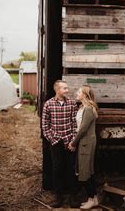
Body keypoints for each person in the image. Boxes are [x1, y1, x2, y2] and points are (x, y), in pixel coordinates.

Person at [42, 80, 79, 208]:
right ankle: (58, 197)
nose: (67, 90)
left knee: (71, 169)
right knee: (57, 169)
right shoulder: (48, 104)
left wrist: (73, 141)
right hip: (56, 142)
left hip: (69, 141)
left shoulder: (72, 104)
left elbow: (75, 124)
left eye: (67, 88)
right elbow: (45, 125)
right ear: (57, 90)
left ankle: (73, 197)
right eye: (64, 88)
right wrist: (52, 139)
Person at [68, 85, 99, 209]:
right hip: (83, 143)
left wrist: (73, 143)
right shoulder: (83, 107)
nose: (77, 93)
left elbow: (83, 130)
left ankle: (92, 199)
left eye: (79, 92)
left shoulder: (88, 109)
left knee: (85, 173)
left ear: (85, 95)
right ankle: (94, 199)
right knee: (86, 172)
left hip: (86, 143)